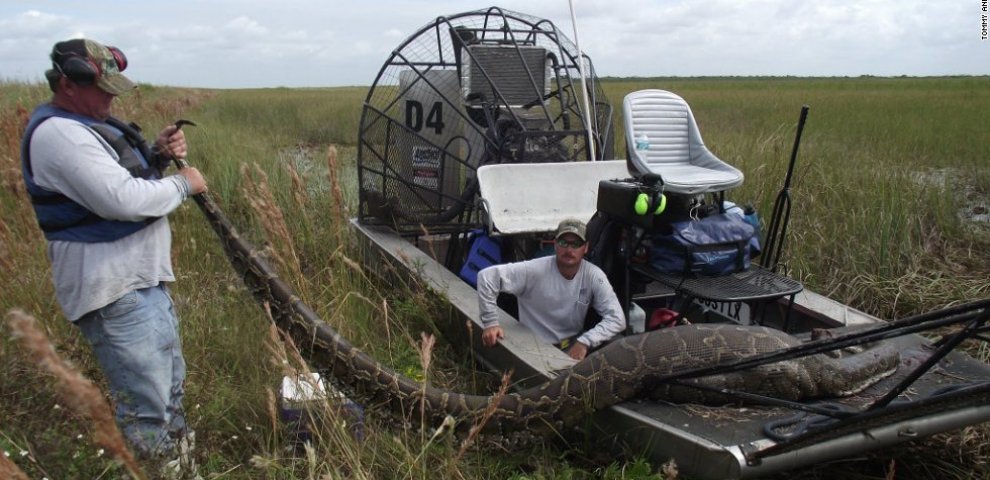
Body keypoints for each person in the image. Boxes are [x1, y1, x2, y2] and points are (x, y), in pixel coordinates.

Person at [20, 38, 207, 471]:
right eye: (102, 90)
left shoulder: (85, 124)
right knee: (148, 407)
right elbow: (121, 199)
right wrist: (184, 184)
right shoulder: (59, 134)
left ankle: (181, 468)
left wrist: (157, 156)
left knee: (169, 390)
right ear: (67, 84)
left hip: (140, 284)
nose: (111, 99)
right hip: (114, 291)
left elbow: (125, 179)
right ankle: (157, 471)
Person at [476, 218, 626, 360]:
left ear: (586, 247)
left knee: (618, 343)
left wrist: (585, 342)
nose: (569, 249)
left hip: (573, 346)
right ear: (555, 244)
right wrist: (491, 323)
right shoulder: (534, 269)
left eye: (576, 244)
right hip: (534, 348)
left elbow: (617, 319)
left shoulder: (594, 275)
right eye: (563, 242)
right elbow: (486, 277)